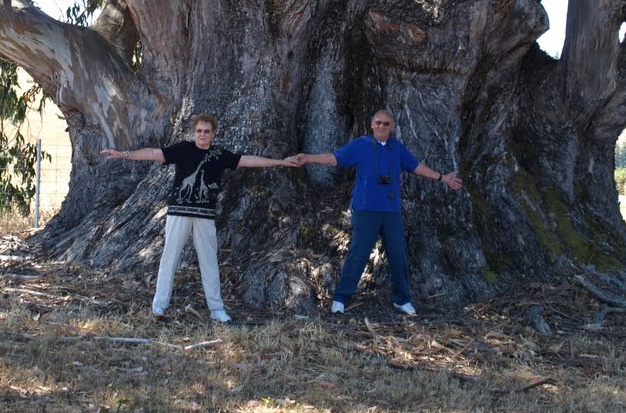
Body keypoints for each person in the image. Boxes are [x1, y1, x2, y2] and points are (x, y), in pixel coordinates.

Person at [101, 113, 297, 323]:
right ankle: (159, 306)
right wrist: (125, 154)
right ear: (194, 132)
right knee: (169, 258)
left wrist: (280, 162)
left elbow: (247, 160)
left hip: (205, 215)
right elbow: (153, 153)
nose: (202, 135)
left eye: (207, 131)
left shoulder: (219, 154)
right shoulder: (182, 149)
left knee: (209, 260)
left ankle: (216, 308)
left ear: (213, 134)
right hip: (179, 212)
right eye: (199, 131)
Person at [294, 109, 462, 316]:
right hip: (365, 210)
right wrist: (308, 158)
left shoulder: (397, 148)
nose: (382, 126)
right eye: (378, 123)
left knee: (398, 255)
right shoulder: (361, 145)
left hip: (391, 211)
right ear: (372, 124)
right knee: (358, 254)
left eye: (386, 124)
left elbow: (416, 166)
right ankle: (340, 299)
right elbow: (334, 158)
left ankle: (402, 300)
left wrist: (442, 178)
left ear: (392, 127)